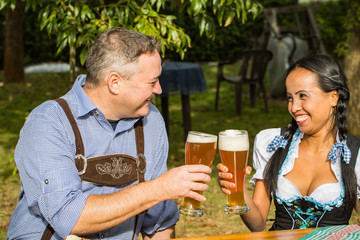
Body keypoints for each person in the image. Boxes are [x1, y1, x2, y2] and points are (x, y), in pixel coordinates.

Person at [7, 27, 212, 240]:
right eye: (152, 82)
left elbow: (159, 223)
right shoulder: (49, 122)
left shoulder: (150, 120)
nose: (159, 89)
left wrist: (159, 194)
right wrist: (158, 189)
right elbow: (69, 216)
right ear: (115, 83)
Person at [217, 54, 360, 231]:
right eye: (290, 97)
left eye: (302, 96)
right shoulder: (274, 143)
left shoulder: (355, 154)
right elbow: (257, 224)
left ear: (333, 97)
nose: (293, 107)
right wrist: (239, 189)